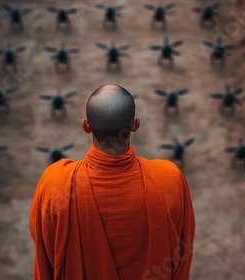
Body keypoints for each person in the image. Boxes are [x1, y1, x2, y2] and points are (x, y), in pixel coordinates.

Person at [30, 84, 195, 280]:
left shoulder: (54, 182)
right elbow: (183, 248)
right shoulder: (170, 179)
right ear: (135, 125)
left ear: (85, 126)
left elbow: (43, 243)